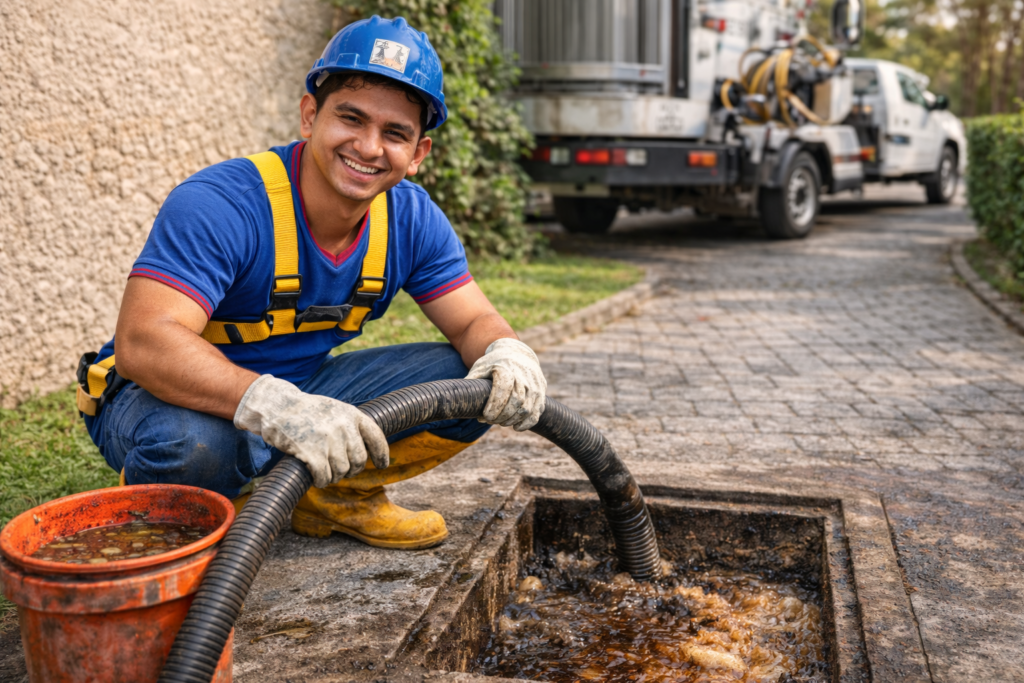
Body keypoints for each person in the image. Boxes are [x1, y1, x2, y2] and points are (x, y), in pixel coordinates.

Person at [75, 16, 547, 550]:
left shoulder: (411, 220)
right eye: (351, 118)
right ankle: (180, 515)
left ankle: (329, 497)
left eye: (395, 133)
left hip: (306, 399)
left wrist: (509, 351)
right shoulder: (224, 203)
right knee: (198, 446)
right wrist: (274, 407)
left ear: (418, 154)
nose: (369, 147)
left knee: (469, 382)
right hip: (163, 400)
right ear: (309, 115)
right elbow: (145, 342)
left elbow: (473, 321)